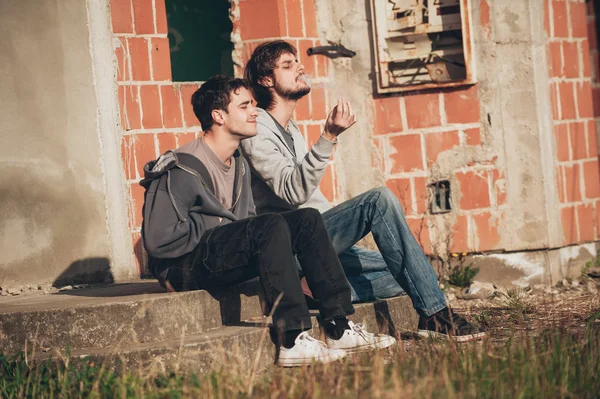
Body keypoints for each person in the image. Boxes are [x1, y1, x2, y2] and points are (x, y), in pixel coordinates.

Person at [139, 75, 396, 367]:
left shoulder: (239, 166)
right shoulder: (183, 166)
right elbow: (158, 240)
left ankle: (338, 327)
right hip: (183, 267)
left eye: (253, 104)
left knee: (307, 219)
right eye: (245, 105)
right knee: (271, 224)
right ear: (218, 115)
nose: (254, 112)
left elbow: (245, 225)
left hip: (220, 257)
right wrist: (217, 228)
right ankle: (292, 339)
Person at [240, 41, 485, 342]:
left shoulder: (291, 128)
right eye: (288, 65)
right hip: (293, 244)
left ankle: (315, 288)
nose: (300, 67)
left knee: (412, 269)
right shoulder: (257, 130)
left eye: (298, 62)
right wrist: (328, 136)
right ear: (266, 80)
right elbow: (293, 192)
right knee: (378, 201)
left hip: (318, 240)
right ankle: (434, 315)